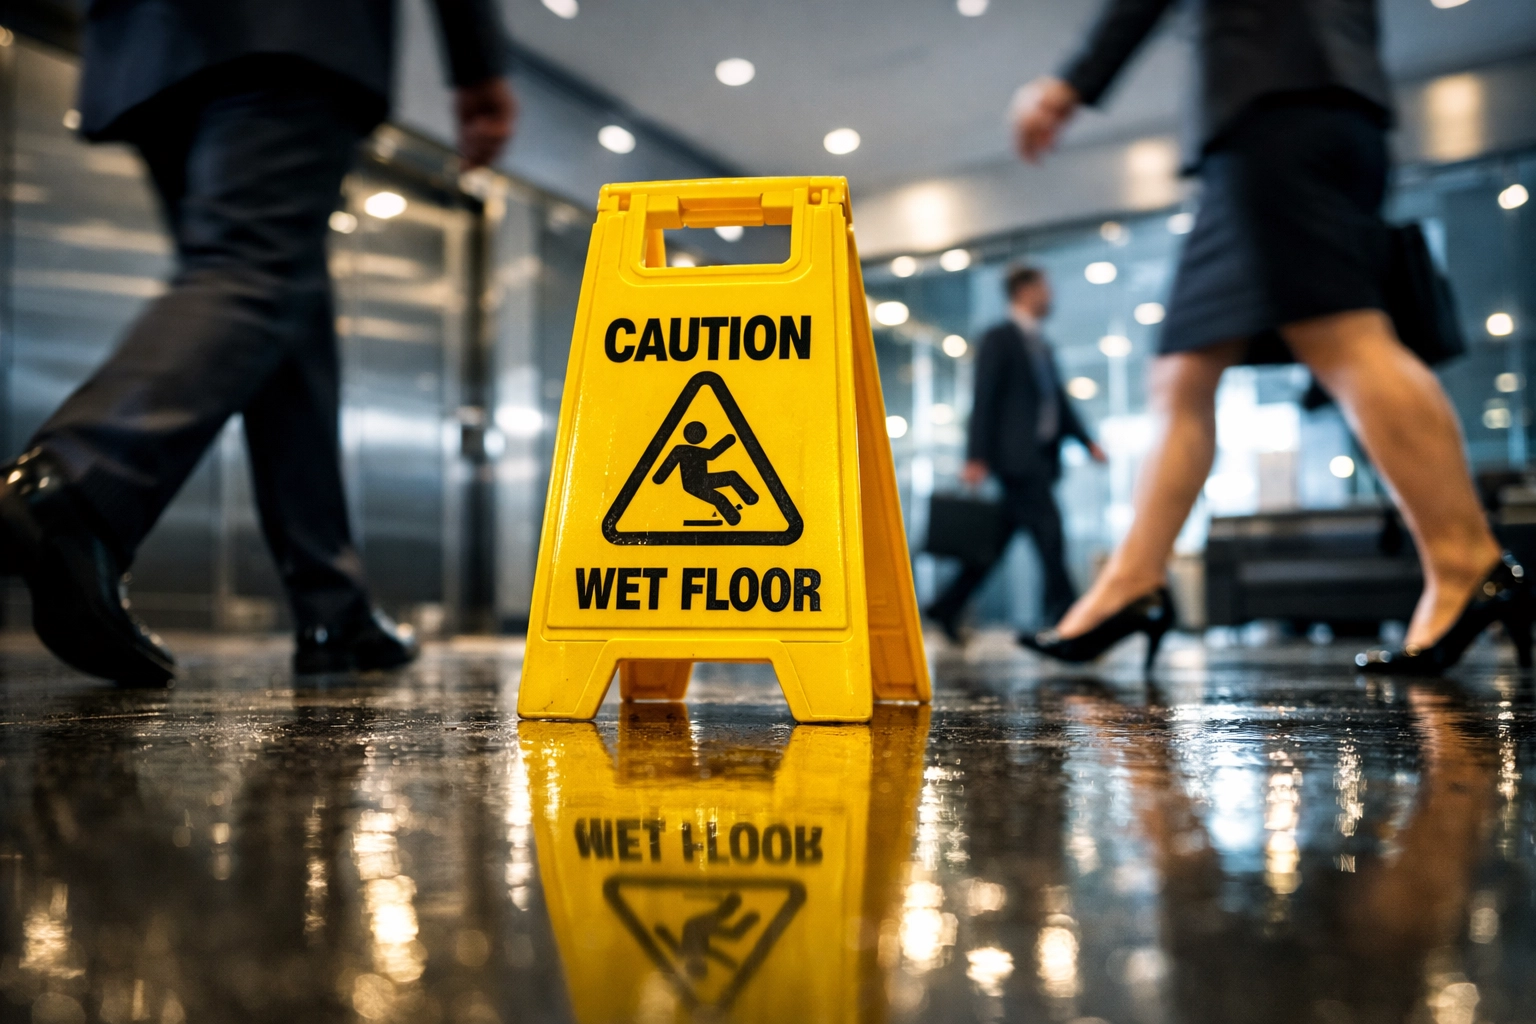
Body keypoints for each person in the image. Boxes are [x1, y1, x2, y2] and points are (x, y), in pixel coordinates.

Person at [0, 0, 517, 685]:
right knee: (254, 266)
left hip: (147, 40)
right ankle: (74, 486)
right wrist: (478, 67)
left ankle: (332, 603)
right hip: (289, 27)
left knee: (281, 297)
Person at [1011, 0, 1529, 674]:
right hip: (1307, 103)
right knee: (1183, 368)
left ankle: (1467, 562)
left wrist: (1071, 83)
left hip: (1273, 107)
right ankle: (1132, 582)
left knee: (1344, 337)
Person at [926, 265, 1107, 644]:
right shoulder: (999, 339)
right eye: (1045, 287)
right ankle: (1070, 619)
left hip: (1040, 460)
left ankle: (946, 606)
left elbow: (1057, 404)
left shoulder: (1041, 345)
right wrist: (976, 456)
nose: (1051, 295)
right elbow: (984, 399)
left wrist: (1086, 442)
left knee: (992, 545)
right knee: (1051, 538)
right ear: (1024, 290)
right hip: (1016, 462)